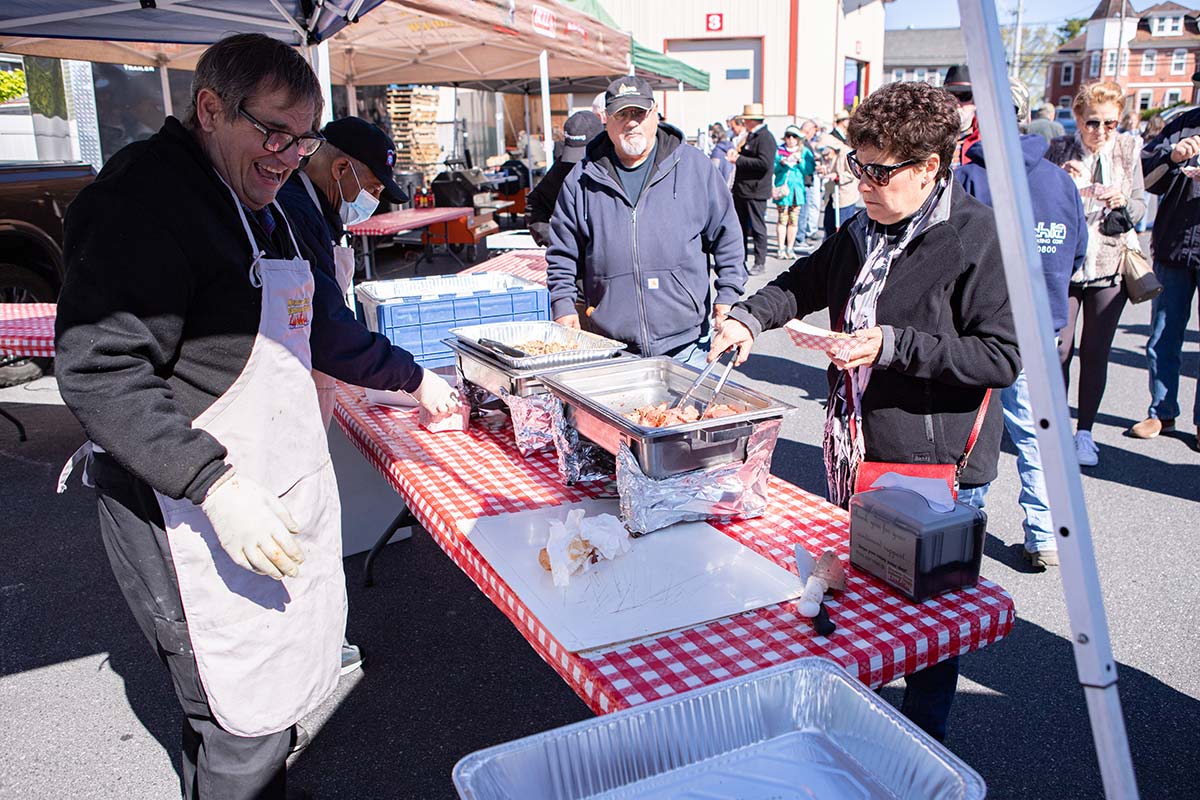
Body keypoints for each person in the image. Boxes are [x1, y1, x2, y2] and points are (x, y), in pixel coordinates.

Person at [53, 34, 455, 800]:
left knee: (266, 698)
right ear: (209, 108)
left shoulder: (252, 198)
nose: (289, 155)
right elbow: (100, 370)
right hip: (181, 503)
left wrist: (403, 380)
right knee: (234, 714)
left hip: (260, 489)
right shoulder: (144, 201)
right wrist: (213, 485)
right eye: (274, 132)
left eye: (303, 139)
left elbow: (310, 326)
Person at [710, 80, 1019, 741]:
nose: (863, 184)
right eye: (857, 165)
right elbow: (803, 282)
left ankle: (923, 750)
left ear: (930, 167)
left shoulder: (977, 237)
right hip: (857, 444)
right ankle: (859, 731)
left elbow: (1001, 357)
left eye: (880, 172)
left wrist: (893, 345)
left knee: (929, 629)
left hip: (935, 463)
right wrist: (746, 318)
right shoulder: (859, 227)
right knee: (867, 609)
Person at [956, 78, 1089, 569]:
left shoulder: (971, 178)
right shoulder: (1060, 180)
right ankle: (1046, 532)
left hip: (984, 324)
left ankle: (963, 525)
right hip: (1040, 322)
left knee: (976, 425)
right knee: (1037, 430)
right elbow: (1077, 252)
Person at [546, 75, 745, 364]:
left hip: (688, 345)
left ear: (654, 115)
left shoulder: (694, 167)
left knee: (693, 412)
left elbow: (728, 237)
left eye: (639, 113)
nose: (631, 122)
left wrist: (728, 294)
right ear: (606, 119)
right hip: (610, 348)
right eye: (622, 114)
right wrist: (563, 306)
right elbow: (562, 251)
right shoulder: (581, 179)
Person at [1046, 80, 1146, 466]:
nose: (1101, 132)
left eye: (1110, 123)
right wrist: (1065, 184)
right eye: (1092, 123)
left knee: (1095, 352)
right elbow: (1041, 200)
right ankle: (1055, 430)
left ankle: (1084, 432)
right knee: (1060, 350)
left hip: (1110, 261)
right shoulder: (1059, 151)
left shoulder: (1127, 148)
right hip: (1067, 264)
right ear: (1077, 119)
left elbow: (1139, 207)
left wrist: (1122, 201)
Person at [1131, 74, 1200, 448]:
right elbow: (1144, 174)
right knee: (1162, 334)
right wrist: (1172, 157)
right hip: (1173, 244)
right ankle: (1162, 411)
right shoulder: (1180, 124)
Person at [525, 110, 604, 246]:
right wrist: (551, 238)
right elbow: (536, 203)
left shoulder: (621, 164)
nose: (578, 164)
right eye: (574, 155)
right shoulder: (564, 165)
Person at [728, 102, 777, 275]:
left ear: (752, 121)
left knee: (757, 227)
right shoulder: (751, 136)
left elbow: (764, 164)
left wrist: (739, 160)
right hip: (743, 190)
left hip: (756, 191)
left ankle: (759, 261)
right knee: (740, 227)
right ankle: (740, 261)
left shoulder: (765, 137)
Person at [773, 125, 815, 259]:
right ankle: (780, 248)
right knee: (782, 219)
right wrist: (782, 163)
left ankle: (790, 248)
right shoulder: (779, 151)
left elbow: (809, 169)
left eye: (794, 136)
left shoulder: (804, 152)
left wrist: (800, 161)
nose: (791, 139)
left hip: (797, 191)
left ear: (799, 139)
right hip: (783, 191)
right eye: (788, 136)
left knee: (793, 220)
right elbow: (773, 168)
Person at [816, 129, 860, 237]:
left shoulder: (846, 154)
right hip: (831, 195)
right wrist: (824, 170)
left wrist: (837, 176)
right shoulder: (827, 156)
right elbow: (828, 168)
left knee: (842, 227)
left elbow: (853, 174)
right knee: (828, 225)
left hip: (844, 197)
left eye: (827, 153)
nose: (825, 157)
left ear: (832, 149)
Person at [944, 64, 980, 166]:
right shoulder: (926, 137)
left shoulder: (988, 141)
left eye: (965, 96)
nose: (957, 103)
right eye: (950, 96)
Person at [798, 118, 824, 242]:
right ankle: (800, 238)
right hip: (804, 180)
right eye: (814, 131)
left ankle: (801, 236)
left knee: (806, 208)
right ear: (808, 131)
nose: (814, 134)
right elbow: (805, 164)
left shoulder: (805, 143)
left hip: (807, 179)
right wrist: (815, 165)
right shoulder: (803, 143)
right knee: (802, 211)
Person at [709, 122, 735, 187]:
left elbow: (713, 173)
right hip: (731, 184)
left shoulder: (716, 151)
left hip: (720, 186)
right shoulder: (732, 148)